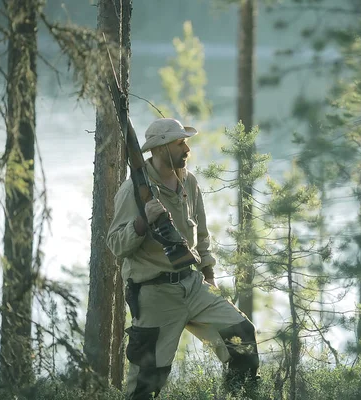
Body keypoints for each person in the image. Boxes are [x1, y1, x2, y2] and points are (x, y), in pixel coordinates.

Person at [107, 118, 259, 399]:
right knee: (148, 382)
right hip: (155, 295)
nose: (187, 148)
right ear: (162, 148)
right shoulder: (132, 191)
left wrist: (209, 274)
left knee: (242, 337)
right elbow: (115, 244)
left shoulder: (188, 180)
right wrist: (142, 223)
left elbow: (200, 234)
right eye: (180, 143)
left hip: (193, 285)